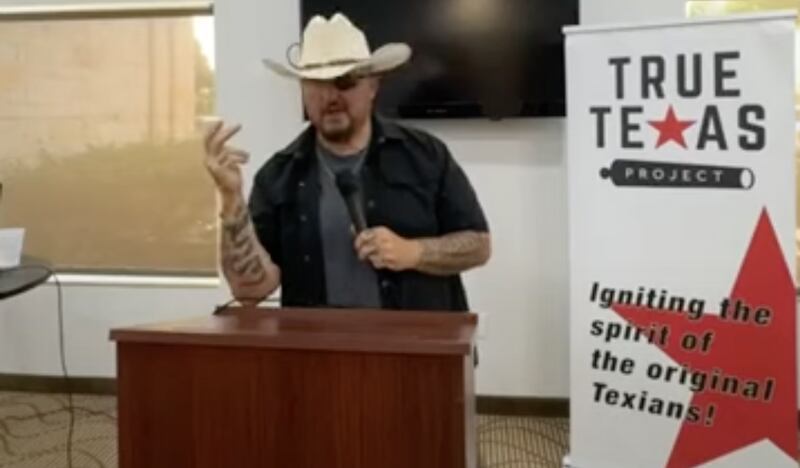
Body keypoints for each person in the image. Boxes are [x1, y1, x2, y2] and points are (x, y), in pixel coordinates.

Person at [203, 13, 491, 311]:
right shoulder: (278, 176)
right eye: (316, 84)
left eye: (345, 82)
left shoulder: (424, 155)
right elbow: (250, 291)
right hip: (319, 341)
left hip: (419, 339)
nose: (330, 97)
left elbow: (479, 245)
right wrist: (231, 198)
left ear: (372, 87)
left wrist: (412, 252)